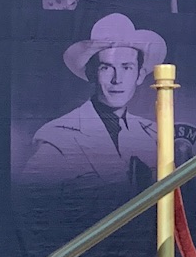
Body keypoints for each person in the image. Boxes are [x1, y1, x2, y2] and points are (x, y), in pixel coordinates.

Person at [22, 13, 163, 189]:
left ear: (140, 75)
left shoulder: (154, 134)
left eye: (127, 67)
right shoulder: (58, 137)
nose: (117, 79)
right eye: (106, 68)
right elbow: (30, 199)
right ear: (91, 74)